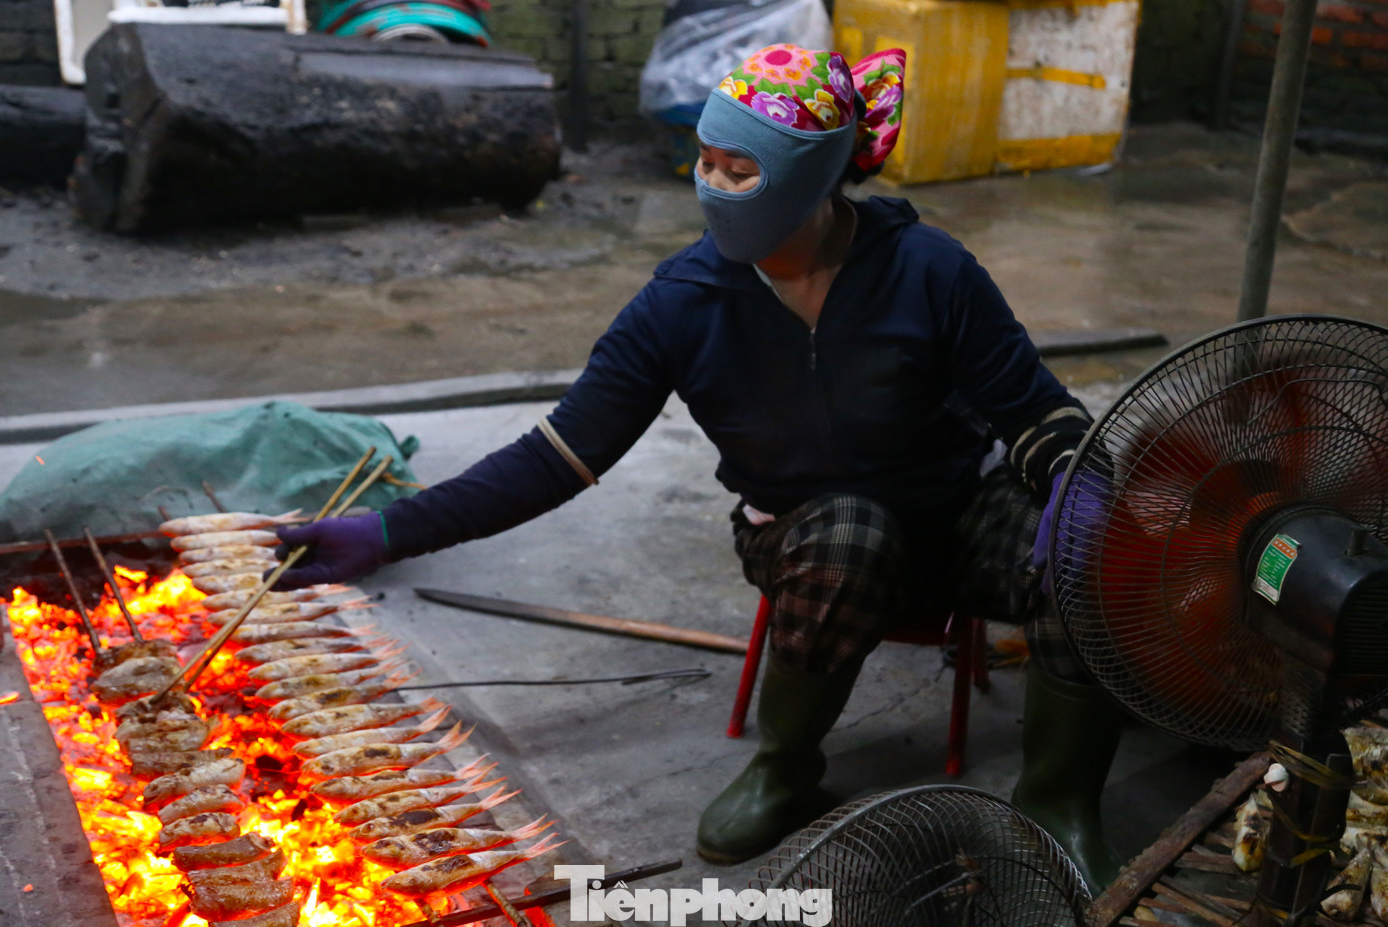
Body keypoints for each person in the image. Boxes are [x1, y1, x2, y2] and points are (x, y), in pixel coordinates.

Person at [271, 44, 1125, 889]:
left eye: (738, 169)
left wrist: (1073, 480)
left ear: (814, 174)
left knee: (1088, 552)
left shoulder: (930, 270)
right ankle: (785, 765)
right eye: (704, 163)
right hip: (814, 542)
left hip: (958, 510)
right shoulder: (682, 304)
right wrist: (387, 531)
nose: (711, 185)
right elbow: (557, 456)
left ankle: (1057, 802)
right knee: (850, 534)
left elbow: (1035, 407)